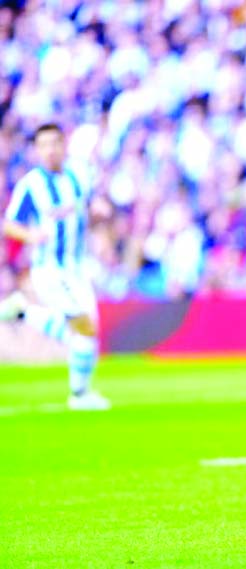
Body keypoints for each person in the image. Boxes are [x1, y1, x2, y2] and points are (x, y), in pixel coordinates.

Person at [0, 123, 110, 411]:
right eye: (44, 145)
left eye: (55, 143)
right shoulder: (31, 184)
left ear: (64, 145)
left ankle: (23, 311)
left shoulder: (78, 176)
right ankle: (79, 396)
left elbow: (87, 209)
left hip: (77, 268)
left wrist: (98, 213)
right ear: (37, 150)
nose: (50, 150)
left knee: (88, 334)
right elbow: (10, 225)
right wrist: (31, 236)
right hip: (50, 269)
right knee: (83, 330)